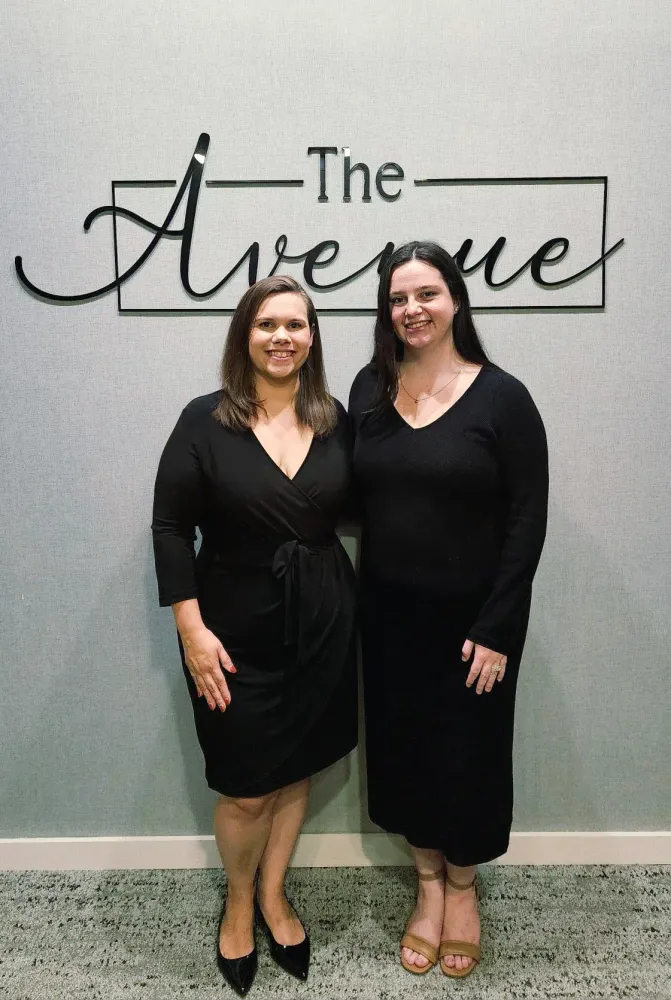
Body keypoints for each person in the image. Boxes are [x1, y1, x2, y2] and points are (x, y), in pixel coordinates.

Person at [152, 275, 357, 996]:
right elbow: (172, 528)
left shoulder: (335, 420)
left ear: (312, 338)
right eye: (267, 323)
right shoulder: (203, 421)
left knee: (295, 767)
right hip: (229, 634)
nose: (282, 337)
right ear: (245, 335)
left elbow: (374, 504)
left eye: (296, 325)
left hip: (322, 623)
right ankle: (239, 901)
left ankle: (274, 893)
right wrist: (190, 629)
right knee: (245, 788)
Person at [348, 241, 548, 979]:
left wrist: (496, 628)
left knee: (468, 760)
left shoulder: (502, 397)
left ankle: (462, 889)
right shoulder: (370, 392)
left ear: (455, 299)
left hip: (474, 629)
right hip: (388, 622)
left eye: (426, 294)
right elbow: (345, 496)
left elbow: (527, 521)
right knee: (403, 757)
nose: (412, 309)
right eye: (398, 299)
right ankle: (426, 883)